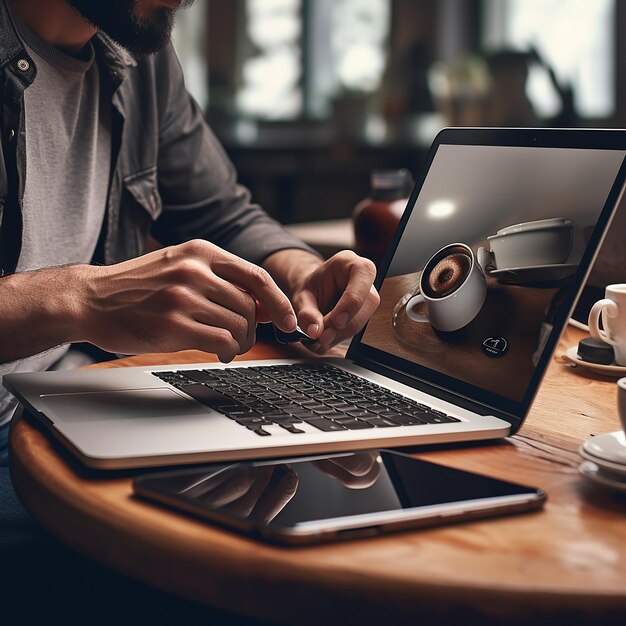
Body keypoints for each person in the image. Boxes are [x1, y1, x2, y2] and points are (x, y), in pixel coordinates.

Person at [0, 1, 379, 621]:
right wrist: (80, 297)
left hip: (62, 405)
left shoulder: (137, 51)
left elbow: (223, 213)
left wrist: (302, 271)